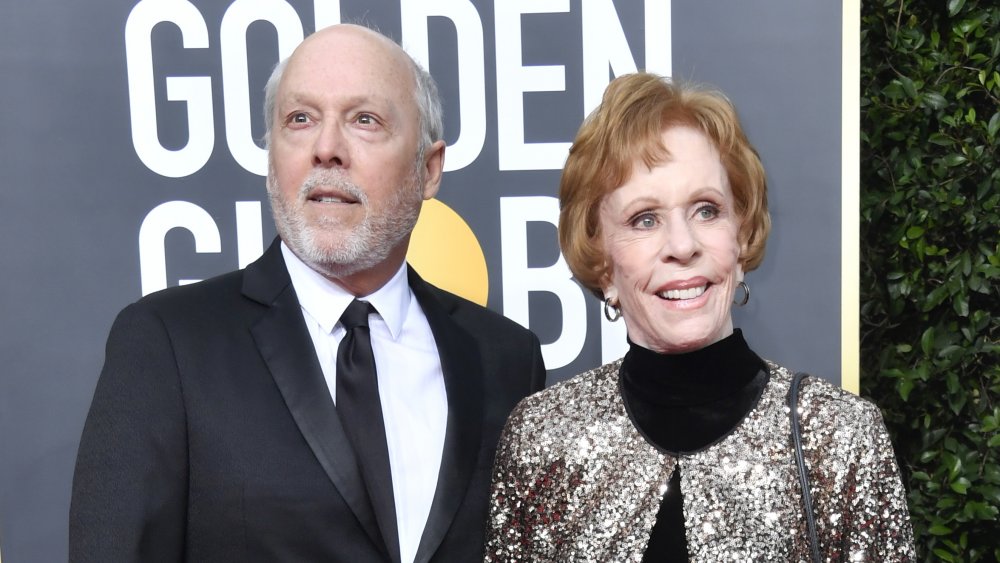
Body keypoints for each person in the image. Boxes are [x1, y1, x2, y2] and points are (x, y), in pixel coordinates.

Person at [70, 24, 545, 563]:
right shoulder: (167, 346)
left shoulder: (505, 361)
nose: (326, 149)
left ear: (429, 169)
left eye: (364, 120)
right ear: (273, 154)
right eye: (300, 119)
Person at [484, 73, 914, 561]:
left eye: (706, 210)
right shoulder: (542, 441)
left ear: (742, 234)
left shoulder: (839, 438)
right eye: (644, 219)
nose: (683, 246)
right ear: (602, 262)